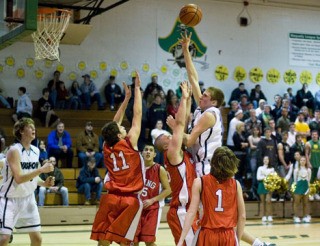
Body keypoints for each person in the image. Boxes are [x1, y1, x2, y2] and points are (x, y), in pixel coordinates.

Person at [91, 72, 145, 245]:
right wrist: (136, 89)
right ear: (119, 135)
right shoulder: (130, 144)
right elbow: (137, 115)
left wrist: (125, 99)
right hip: (129, 200)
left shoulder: (106, 147)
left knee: (103, 239)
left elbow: (114, 123)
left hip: (111, 197)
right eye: (121, 128)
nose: (123, 127)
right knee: (126, 241)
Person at [154, 81, 197, 246]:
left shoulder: (177, 152)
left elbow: (182, 125)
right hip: (181, 210)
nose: (170, 135)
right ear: (165, 145)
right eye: (167, 136)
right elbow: (179, 125)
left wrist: (188, 100)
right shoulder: (171, 153)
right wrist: (184, 98)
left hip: (187, 209)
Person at [0, 118, 54, 245]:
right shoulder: (14, 150)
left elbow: (32, 176)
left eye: (34, 126)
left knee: (37, 239)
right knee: (4, 239)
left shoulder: (36, 151)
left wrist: (43, 183)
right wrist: (41, 170)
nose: (33, 129)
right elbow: (18, 178)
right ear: (21, 131)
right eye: (30, 127)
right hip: (10, 199)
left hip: (28, 199)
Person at [177, 146, 246, 246]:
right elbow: (242, 216)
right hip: (229, 235)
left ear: (212, 162)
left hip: (207, 234)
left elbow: (191, 212)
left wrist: (181, 240)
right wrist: (237, 241)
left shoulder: (200, 182)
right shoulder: (236, 184)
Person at [133, 143, 171, 246]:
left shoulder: (159, 169)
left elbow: (168, 190)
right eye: (146, 150)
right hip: (136, 209)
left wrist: (152, 200)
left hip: (152, 209)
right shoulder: (135, 168)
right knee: (133, 241)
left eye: (151, 150)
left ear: (154, 154)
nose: (148, 152)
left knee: (149, 241)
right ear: (142, 153)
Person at [293, 156, 312, 223]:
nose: (303, 161)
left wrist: (308, 188)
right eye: (301, 160)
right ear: (299, 161)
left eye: (304, 160)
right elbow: (295, 180)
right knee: (296, 203)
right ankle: (296, 216)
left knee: (305, 203)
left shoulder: (308, 170)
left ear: (306, 161)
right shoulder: (296, 170)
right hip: (298, 187)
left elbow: (309, 180)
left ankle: (305, 216)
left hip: (306, 187)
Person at [257, 156, 276, 223]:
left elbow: (273, 177)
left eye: (267, 159)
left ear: (269, 160)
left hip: (269, 185)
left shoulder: (272, 169)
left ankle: (269, 215)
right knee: (262, 201)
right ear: (263, 160)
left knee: (268, 201)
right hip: (262, 185)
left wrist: (265, 177)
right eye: (264, 159)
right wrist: (266, 177)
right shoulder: (260, 168)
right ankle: (263, 216)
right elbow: (258, 177)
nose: (265, 160)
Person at [305, 130, 320, 200]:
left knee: (317, 180)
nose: (314, 136)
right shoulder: (308, 143)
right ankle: (310, 193)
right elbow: (306, 154)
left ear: (317, 135)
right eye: (313, 134)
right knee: (311, 179)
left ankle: (316, 193)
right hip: (311, 164)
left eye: (315, 134)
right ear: (311, 135)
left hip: (319, 164)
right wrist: (308, 163)